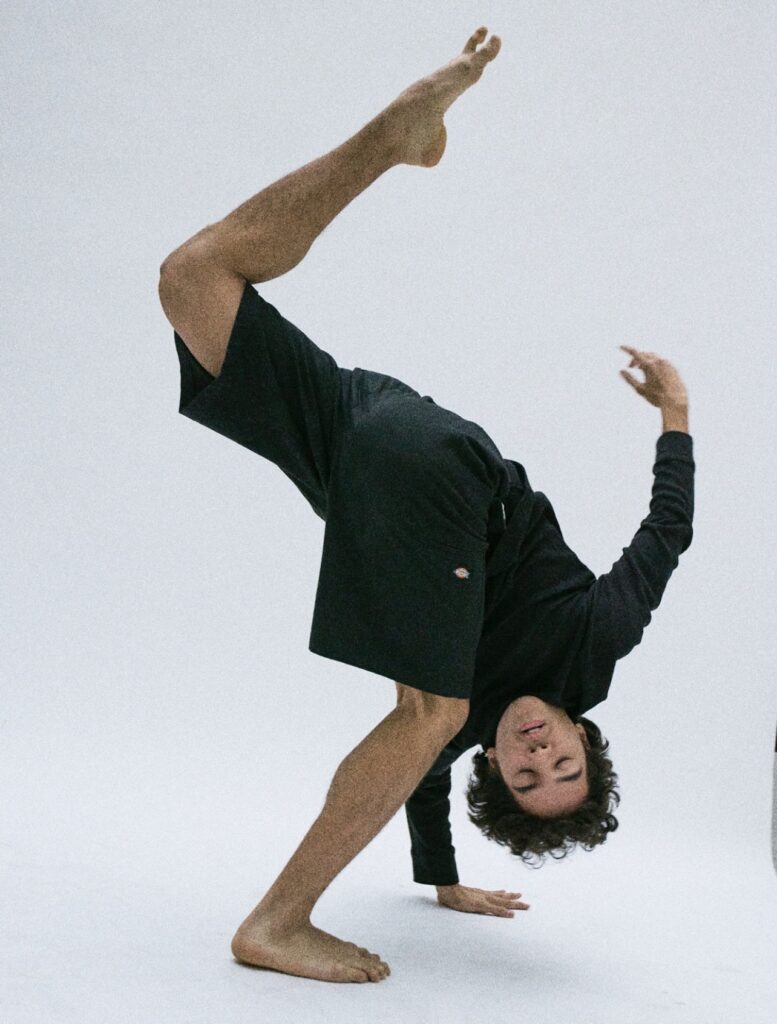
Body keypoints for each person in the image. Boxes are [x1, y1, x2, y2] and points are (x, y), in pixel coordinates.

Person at [157, 27, 694, 985]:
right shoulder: (592, 639)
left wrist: (441, 883)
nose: (537, 755)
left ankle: (390, 142)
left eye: (525, 777)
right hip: (452, 482)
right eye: (562, 764)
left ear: (495, 769)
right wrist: (676, 415)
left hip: (376, 436)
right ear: (583, 734)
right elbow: (667, 537)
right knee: (427, 713)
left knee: (194, 279)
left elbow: (424, 781)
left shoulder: (468, 721)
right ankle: (277, 922)